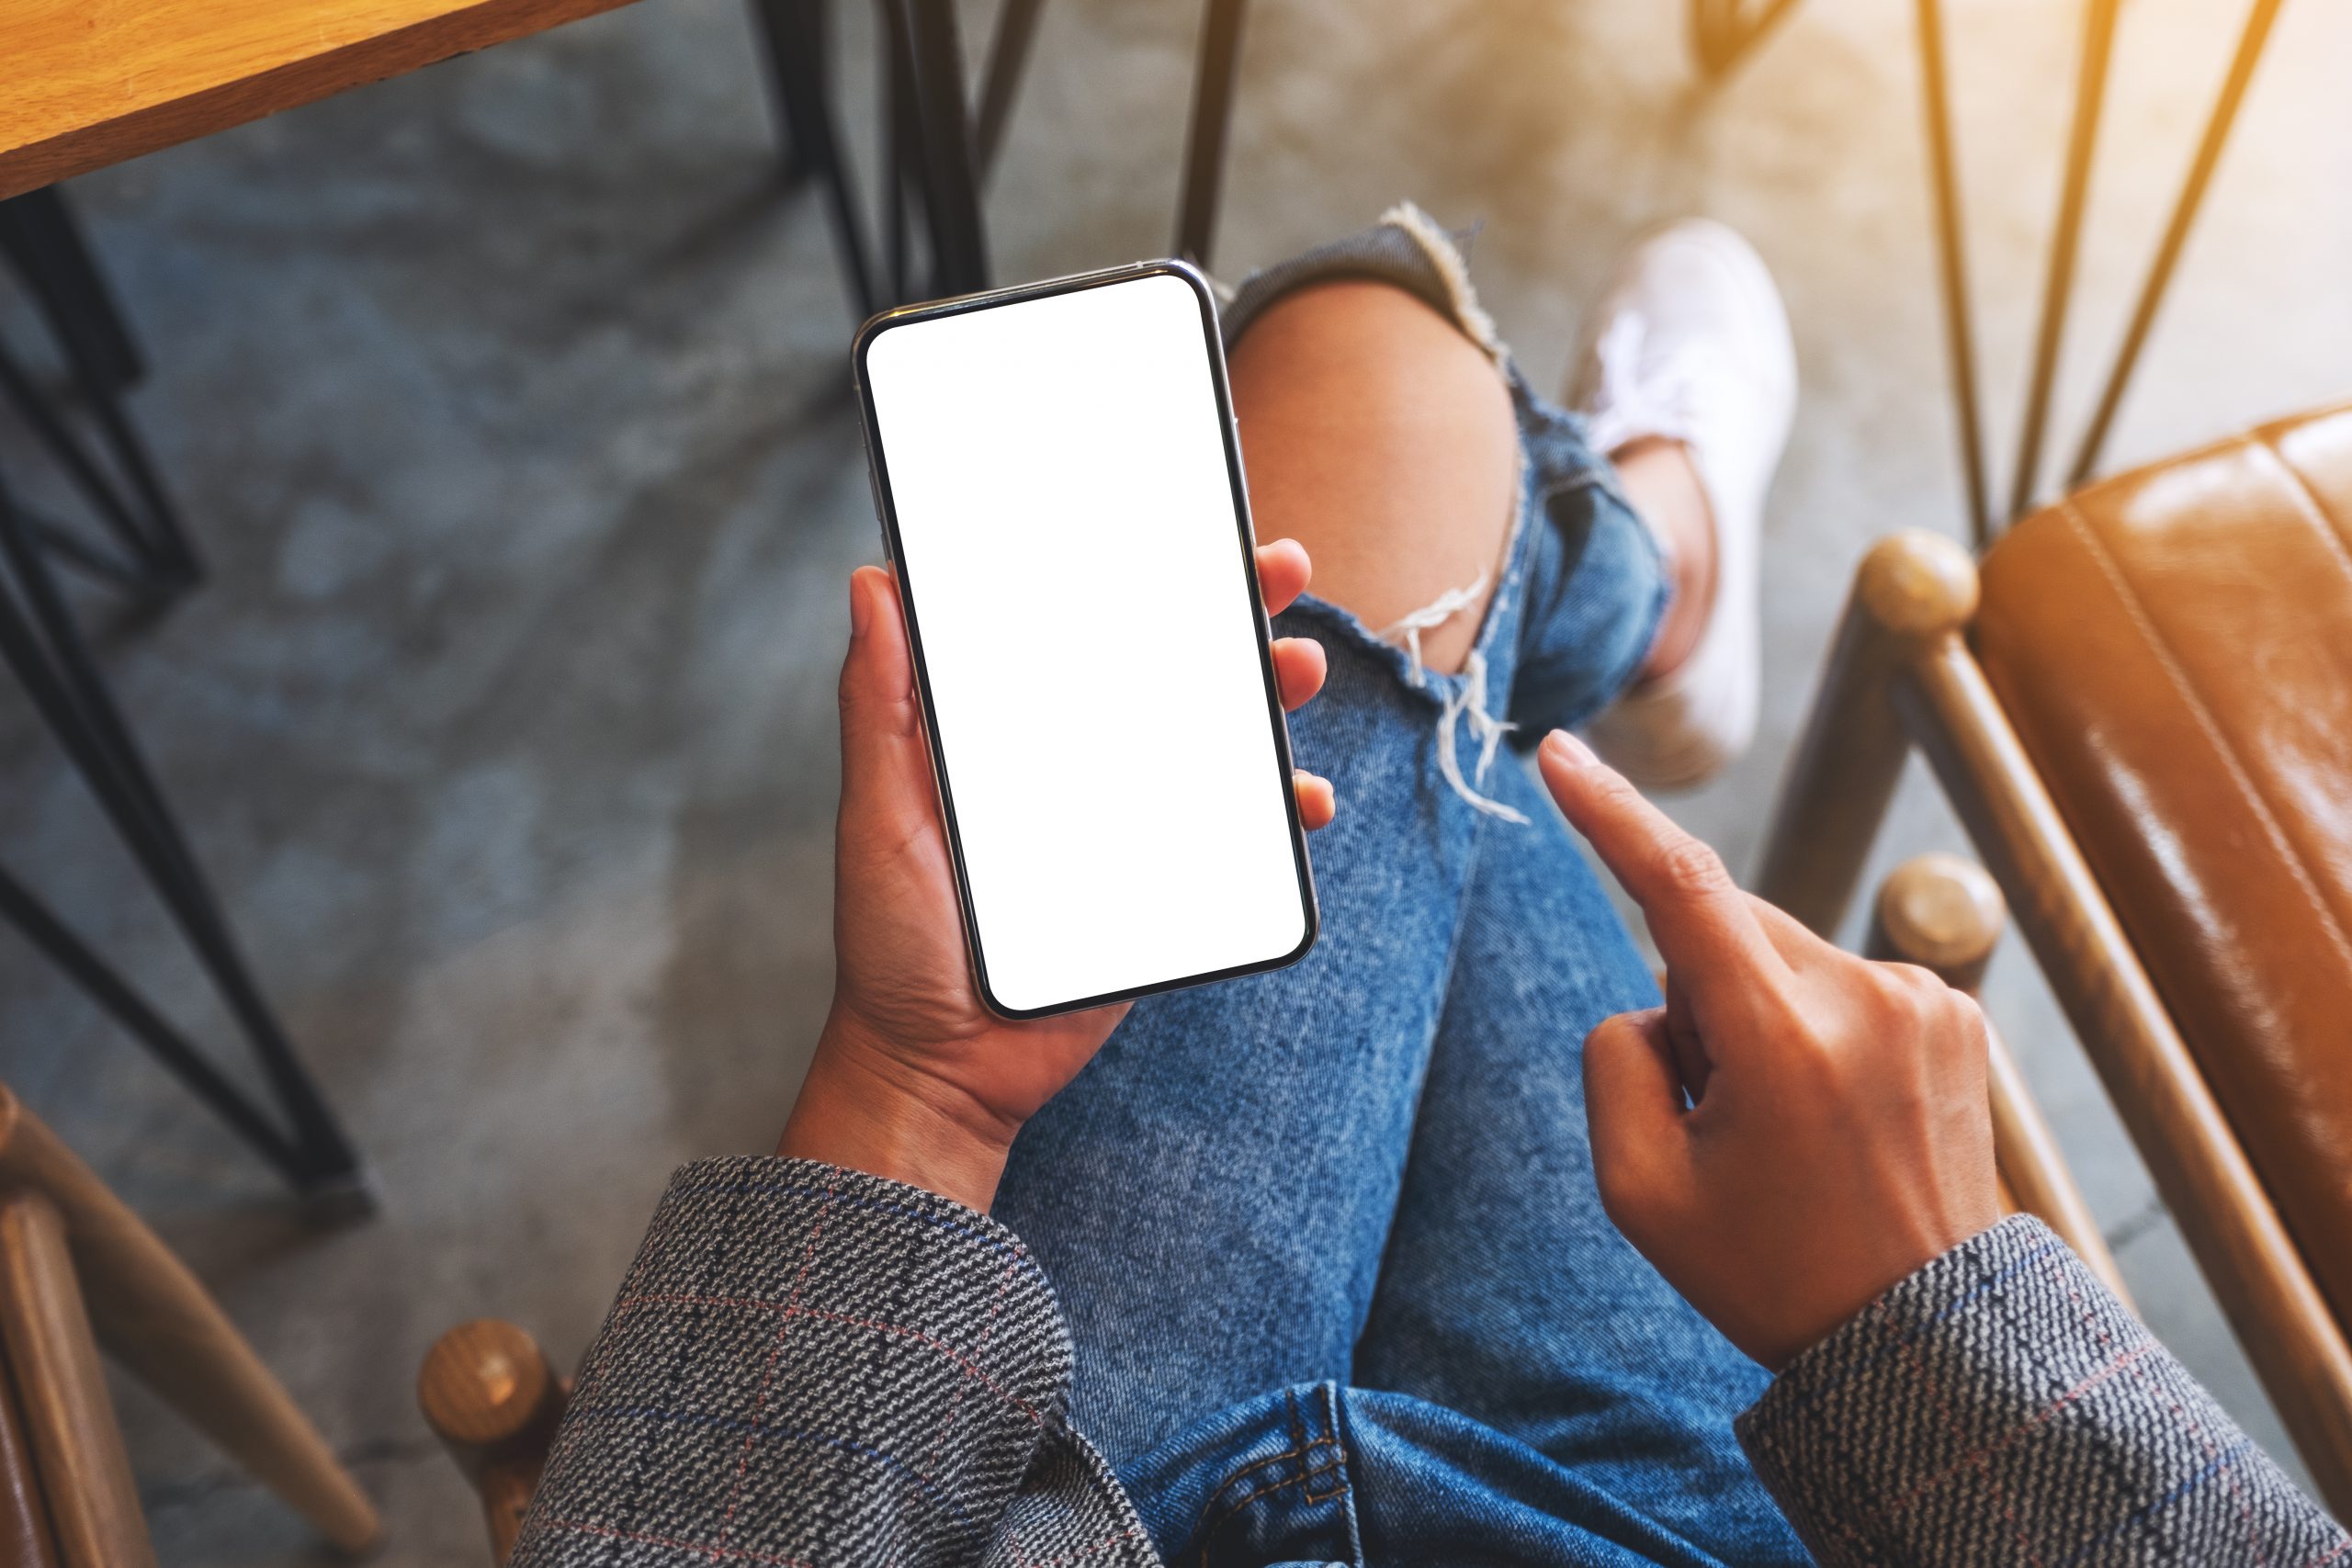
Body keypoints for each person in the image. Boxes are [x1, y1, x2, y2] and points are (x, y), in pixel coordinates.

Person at [508, 211, 2346, 1567]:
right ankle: (1638, 569)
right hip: (1674, 1530)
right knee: (1381, 364)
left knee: (1359, 353)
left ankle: (1626, 561)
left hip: (1061, 1512)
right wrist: (1945, 1343)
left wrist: (907, 1090)